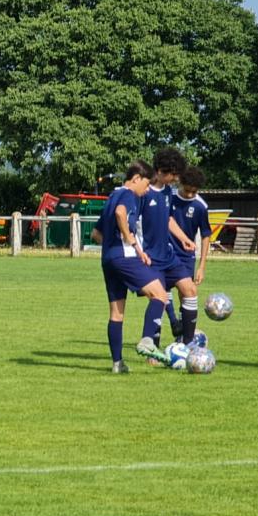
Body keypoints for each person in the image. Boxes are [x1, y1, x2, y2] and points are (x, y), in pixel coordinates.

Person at [90, 160, 172, 373]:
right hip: (124, 258)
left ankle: (118, 364)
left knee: (116, 314)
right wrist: (131, 242)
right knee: (160, 295)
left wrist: (116, 248)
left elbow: (96, 234)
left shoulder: (111, 196)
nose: (146, 191)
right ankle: (147, 340)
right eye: (145, 185)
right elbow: (120, 213)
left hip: (108, 259)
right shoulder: (128, 195)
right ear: (136, 179)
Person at [136, 148, 197, 350]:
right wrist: (137, 251)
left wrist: (184, 238)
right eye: (174, 174)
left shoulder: (167, 192)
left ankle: (188, 346)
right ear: (162, 170)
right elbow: (132, 224)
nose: (176, 179)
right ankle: (152, 349)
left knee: (189, 289)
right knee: (159, 299)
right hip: (150, 257)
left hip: (168, 255)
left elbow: (169, 219)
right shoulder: (142, 193)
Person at [169, 166, 212, 327]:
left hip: (186, 255)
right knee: (161, 290)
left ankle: (182, 330)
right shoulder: (169, 197)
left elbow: (206, 235)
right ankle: (170, 323)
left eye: (193, 192)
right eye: (187, 190)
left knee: (185, 293)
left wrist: (202, 266)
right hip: (165, 252)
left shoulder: (201, 206)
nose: (189, 195)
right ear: (180, 183)